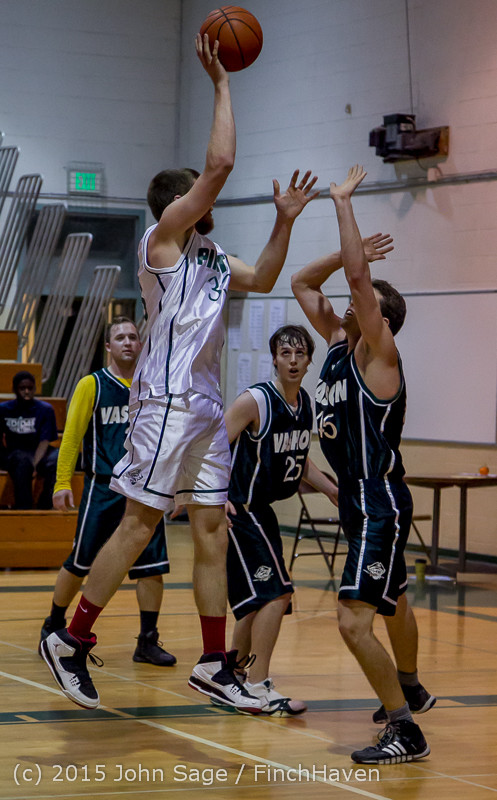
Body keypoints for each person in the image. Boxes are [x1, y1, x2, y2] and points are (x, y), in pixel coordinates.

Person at [41, 34, 319, 713]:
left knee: (210, 529)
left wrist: (283, 221)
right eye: (199, 193)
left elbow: (266, 276)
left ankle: (215, 664)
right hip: (164, 400)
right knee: (140, 524)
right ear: (180, 202)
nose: (211, 196)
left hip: (204, 405)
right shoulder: (161, 242)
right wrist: (221, 82)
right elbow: (220, 164)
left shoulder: (215, 256)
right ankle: (71, 640)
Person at [291, 165, 435, 764]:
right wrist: (342, 252)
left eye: (363, 299)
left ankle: (405, 729)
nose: (351, 299)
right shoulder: (335, 346)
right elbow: (302, 282)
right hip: (356, 499)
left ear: (381, 320)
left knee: (353, 623)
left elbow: (355, 277)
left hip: (379, 499)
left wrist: (342, 203)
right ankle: (411, 687)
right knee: (394, 598)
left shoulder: (381, 356)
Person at [39, 317, 175, 667]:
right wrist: (61, 483)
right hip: (103, 487)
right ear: (108, 347)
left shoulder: (153, 386)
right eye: (120, 337)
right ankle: (53, 624)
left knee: (151, 567)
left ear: (141, 344)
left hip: (144, 490)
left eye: (133, 336)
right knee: (81, 561)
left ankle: (147, 641)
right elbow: (71, 437)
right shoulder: (92, 384)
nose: (128, 342)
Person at [221, 324, 338, 715]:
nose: (292, 360)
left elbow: (300, 459)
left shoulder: (305, 403)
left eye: (299, 354)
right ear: (274, 358)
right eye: (285, 353)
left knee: (255, 603)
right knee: (278, 594)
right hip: (241, 510)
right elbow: (212, 445)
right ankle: (258, 685)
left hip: (263, 512)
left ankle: (232, 676)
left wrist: (331, 489)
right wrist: (212, 496)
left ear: (309, 360)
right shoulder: (255, 400)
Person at [0, 371, 58, 509]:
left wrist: (35, 464)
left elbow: (44, 441)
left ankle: (45, 505)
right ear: (15, 389)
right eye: (22, 388)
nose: (26, 391)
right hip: (15, 452)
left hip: (39, 451)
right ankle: (24, 507)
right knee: (21, 460)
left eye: (30, 388)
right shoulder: (4, 409)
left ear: (35, 389)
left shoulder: (45, 409)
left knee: (58, 458)